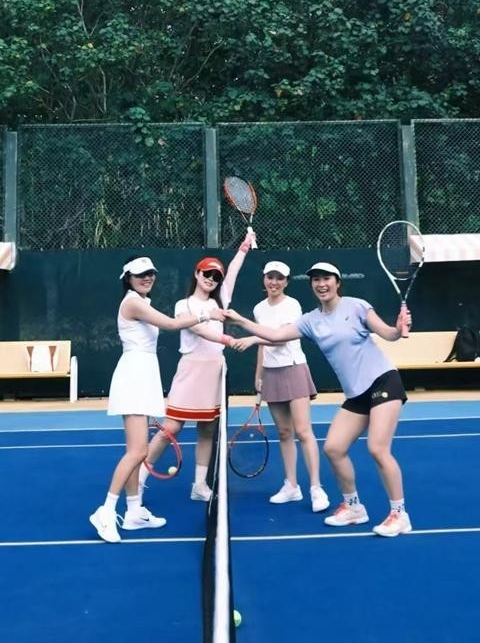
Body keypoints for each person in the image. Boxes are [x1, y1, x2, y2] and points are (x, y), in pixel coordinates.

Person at [225, 262, 412, 538]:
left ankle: (399, 514)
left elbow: (388, 334)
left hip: (383, 381)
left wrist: (398, 328)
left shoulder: (356, 306)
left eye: (326, 279)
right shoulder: (311, 320)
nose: (321, 284)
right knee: (334, 448)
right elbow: (275, 335)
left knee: (377, 448)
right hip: (356, 393)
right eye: (316, 280)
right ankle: (353, 507)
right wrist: (241, 321)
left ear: (337, 282)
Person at [89, 255, 227, 544]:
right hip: (134, 375)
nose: (147, 278)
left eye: (150, 273)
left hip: (143, 374)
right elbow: (171, 324)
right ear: (128, 278)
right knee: (137, 451)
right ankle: (106, 510)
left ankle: (134, 512)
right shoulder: (133, 302)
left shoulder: (142, 301)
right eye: (140, 274)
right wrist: (207, 315)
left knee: (137, 450)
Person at [138, 232, 255, 503]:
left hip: (215, 370)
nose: (211, 279)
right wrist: (228, 339)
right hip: (191, 370)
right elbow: (198, 329)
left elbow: (234, 271)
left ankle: (199, 485)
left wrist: (244, 247)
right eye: (207, 274)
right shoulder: (184, 305)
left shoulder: (221, 299)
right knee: (171, 428)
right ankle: (140, 480)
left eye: (215, 276)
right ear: (197, 273)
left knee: (207, 430)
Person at [241, 260, 329, 512]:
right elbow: (264, 345)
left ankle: (316, 488)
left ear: (287, 282)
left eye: (280, 278)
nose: (274, 282)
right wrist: (259, 374)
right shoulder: (259, 309)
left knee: (303, 430)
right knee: (283, 432)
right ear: (264, 279)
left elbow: (279, 339)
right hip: (271, 372)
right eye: (270, 277)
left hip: (294, 368)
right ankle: (291, 486)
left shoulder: (293, 305)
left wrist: (251, 338)